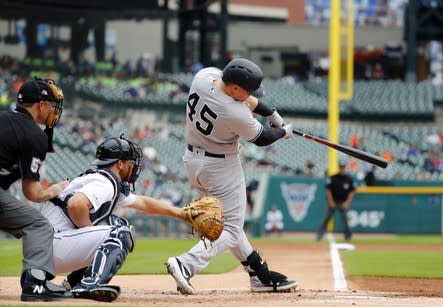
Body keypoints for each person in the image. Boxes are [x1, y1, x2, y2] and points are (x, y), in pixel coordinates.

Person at [165, 57, 297, 294]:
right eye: (247, 90)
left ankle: (258, 274)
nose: (250, 95)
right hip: (220, 168)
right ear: (236, 88)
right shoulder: (234, 112)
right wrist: (282, 131)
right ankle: (186, 264)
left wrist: (270, 112)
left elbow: (244, 98)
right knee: (232, 228)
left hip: (194, 162)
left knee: (230, 225)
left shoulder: (203, 77)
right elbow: (262, 138)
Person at [37, 135, 202, 302]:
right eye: (131, 162)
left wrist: (181, 214)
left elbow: (143, 203)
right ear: (120, 164)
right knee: (120, 232)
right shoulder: (105, 182)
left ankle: (72, 284)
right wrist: (89, 231)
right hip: (52, 245)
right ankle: (89, 285)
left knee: (113, 224)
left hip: (44, 249)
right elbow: (76, 204)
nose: (134, 166)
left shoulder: (101, 180)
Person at [0, 78, 72, 301]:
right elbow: (33, 193)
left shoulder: (3, 117)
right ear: (41, 105)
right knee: (38, 224)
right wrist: (57, 189)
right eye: (52, 104)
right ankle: (35, 282)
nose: (54, 111)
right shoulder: (34, 135)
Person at [317, 162, 356, 241]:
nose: (342, 169)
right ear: (339, 168)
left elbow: (352, 191)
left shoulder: (349, 178)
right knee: (326, 218)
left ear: (345, 168)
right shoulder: (333, 177)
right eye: (341, 167)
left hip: (343, 202)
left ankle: (348, 236)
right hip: (333, 202)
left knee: (346, 220)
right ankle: (319, 235)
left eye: (343, 167)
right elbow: (328, 190)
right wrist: (331, 201)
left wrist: (347, 202)